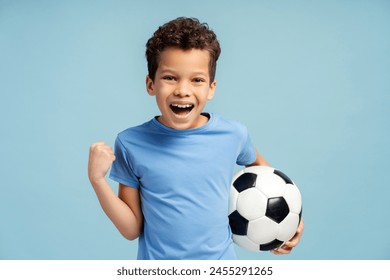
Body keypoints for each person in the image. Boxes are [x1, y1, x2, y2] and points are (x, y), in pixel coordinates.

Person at [88, 17, 304, 260]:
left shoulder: (233, 134)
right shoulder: (130, 143)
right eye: (170, 77)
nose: (182, 90)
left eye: (197, 80)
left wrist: (287, 220)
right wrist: (97, 180)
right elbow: (131, 229)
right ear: (151, 84)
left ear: (211, 87)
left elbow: (269, 179)